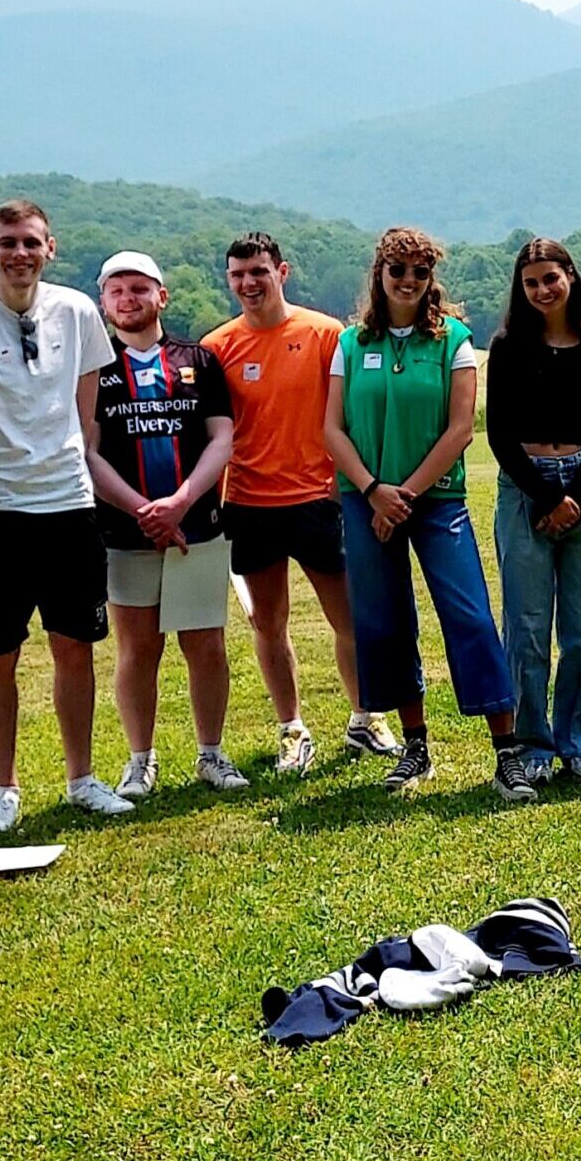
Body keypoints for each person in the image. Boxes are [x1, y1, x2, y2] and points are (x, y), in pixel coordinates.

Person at [0, 198, 132, 829]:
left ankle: (82, 778)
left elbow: (85, 414)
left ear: (52, 249)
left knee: (76, 647)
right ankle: (3, 788)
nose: (20, 253)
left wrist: (75, 474)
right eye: (8, 242)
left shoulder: (76, 313)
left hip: (68, 505)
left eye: (31, 242)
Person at [321, 228, 528, 799]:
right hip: (365, 500)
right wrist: (372, 491)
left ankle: (506, 753)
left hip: (434, 501)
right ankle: (414, 748)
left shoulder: (453, 340)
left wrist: (402, 494)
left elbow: (461, 430)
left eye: (419, 272)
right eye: (398, 271)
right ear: (380, 274)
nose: (408, 281)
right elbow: (331, 429)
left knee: (470, 616)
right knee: (384, 622)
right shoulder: (348, 344)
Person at [204, 232, 389, 774]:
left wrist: (345, 483)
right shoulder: (218, 347)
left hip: (318, 498)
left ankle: (365, 719)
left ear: (281, 272)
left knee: (349, 618)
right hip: (250, 503)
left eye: (258, 272)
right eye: (238, 274)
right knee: (269, 624)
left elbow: (350, 415)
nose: (248, 283)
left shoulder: (325, 334)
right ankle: (292, 730)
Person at [84, 251, 248, 799]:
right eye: (116, 291)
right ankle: (139, 760)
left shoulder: (198, 359)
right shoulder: (93, 366)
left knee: (205, 644)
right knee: (137, 650)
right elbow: (89, 451)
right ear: (103, 302)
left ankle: (211, 753)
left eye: (138, 289)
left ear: (162, 296)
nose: (128, 300)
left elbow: (222, 438)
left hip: (197, 525)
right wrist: (143, 511)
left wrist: (179, 501)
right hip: (125, 534)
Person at [485, 238, 581, 784]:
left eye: (551, 278)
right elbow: (497, 433)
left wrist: (577, 494)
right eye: (531, 282)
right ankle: (533, 746)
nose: (543, 290)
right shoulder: (509, 345)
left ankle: (578, 742)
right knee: (526, 626)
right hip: (525, 487)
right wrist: (545, 498)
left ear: (570, 277)